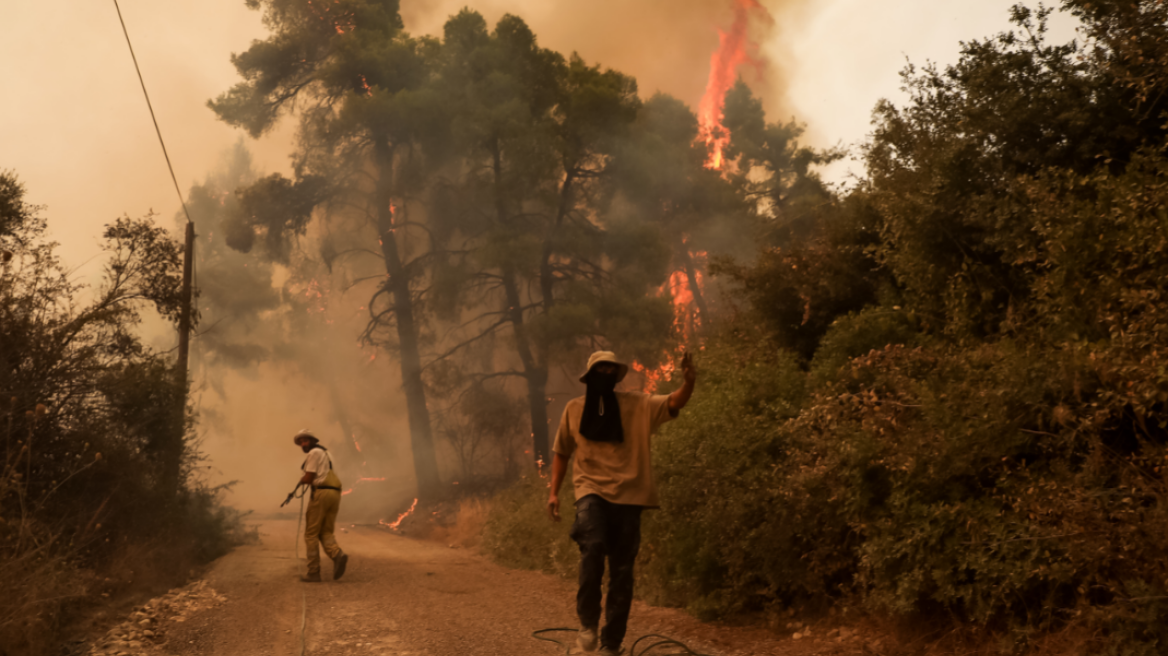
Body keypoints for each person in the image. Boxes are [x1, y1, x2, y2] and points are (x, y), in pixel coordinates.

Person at [547, 350, 696, 655]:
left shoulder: (637, 404)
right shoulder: (574, 410)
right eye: (599, 370)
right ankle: (587, 624)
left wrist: (689, 383)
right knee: (592, 545)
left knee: (622, 572)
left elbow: (673, 401)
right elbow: (561, 452)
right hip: (590, 490)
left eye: (609, 370)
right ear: (589, 377)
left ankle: (611, 644)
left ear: (616, 376)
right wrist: (553, 493)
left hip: (630, 495)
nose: (605, 374)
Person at [292, 430, 349, 582]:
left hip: (322, 493)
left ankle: (313, 572)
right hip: (335, 493)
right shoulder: (327, 453)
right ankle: (337, 555)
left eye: (305, 441)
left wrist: (302, 480)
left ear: (312, 441)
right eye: (301, 442)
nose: (303, 444)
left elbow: (309, 477)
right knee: (326, 531)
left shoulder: (313, 453)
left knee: (311, 534)